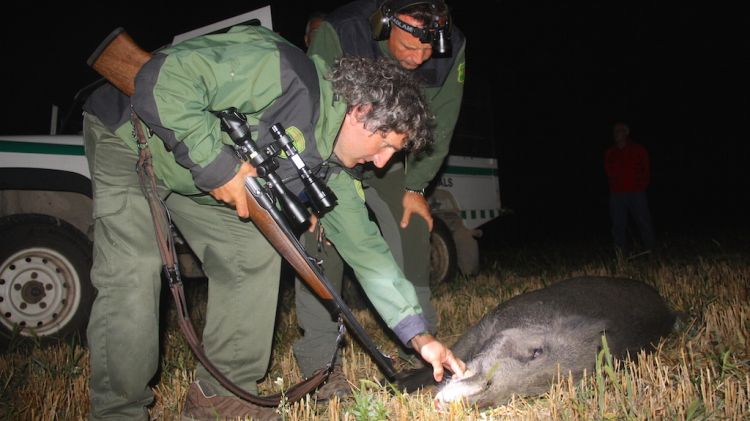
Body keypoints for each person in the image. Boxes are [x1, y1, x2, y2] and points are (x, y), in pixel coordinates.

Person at [83, 24, 464, 421]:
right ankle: (118, 410)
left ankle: (220, 397)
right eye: (386, 143)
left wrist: (420, 338)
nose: (383, 163)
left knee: (255, 251)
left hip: (193, 175)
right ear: (362, 112)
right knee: (133, 269)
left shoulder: (333, 170)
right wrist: (218, 167)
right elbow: (164, 82)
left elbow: (369, 254)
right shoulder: (280, 69)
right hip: (132, 135)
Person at [293, 0, 466, 397]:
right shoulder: (341, 30)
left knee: (413, 226)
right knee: (322, 240)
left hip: (388, 153)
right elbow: (311, 107)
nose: (420, 57)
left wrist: (414, 186)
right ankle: (320, 365)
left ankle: (421, 344)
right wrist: (308, 187)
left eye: (429, 47)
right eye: (410, 44)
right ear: (384, 22)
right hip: (333, 150)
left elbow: (441, 121)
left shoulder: (452, 47)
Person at [604, 122, 656, 259]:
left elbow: (646, 168)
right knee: (618, 226)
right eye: (615, 131)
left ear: (626, 133)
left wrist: (642, 185)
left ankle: (651, 253)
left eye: (619, 130)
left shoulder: (638, 149)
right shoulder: (610, 153)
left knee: (644, 222)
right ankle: (621, 256)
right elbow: (608, 171)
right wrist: (614, 185)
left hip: (636, 192)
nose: (616, 133)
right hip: (617, 194)